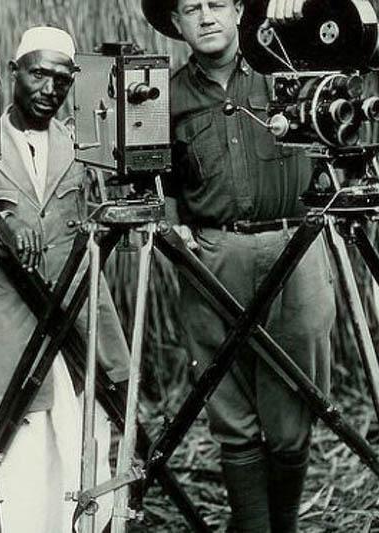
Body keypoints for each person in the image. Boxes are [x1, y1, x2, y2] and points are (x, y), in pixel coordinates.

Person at [142, 1, 335, 531]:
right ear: (176, 24)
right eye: (191, 8)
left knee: (295, 408)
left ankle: (284, 525)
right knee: (231, 415)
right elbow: (158, 180)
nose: (205, 18)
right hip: (211, 257)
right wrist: (175, 228)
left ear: (239, 11)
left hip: (293, 248)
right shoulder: (164, 96)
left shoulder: (290, 67)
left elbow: (352, 46)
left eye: (216, 4)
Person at [0, 26, 131, 533]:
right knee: (16, 471)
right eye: (38, 73)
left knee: (84, 453)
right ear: (14, 72)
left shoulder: (81, 141)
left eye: (61, 77)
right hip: (8, 332)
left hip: (77, 323)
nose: (49, 87)